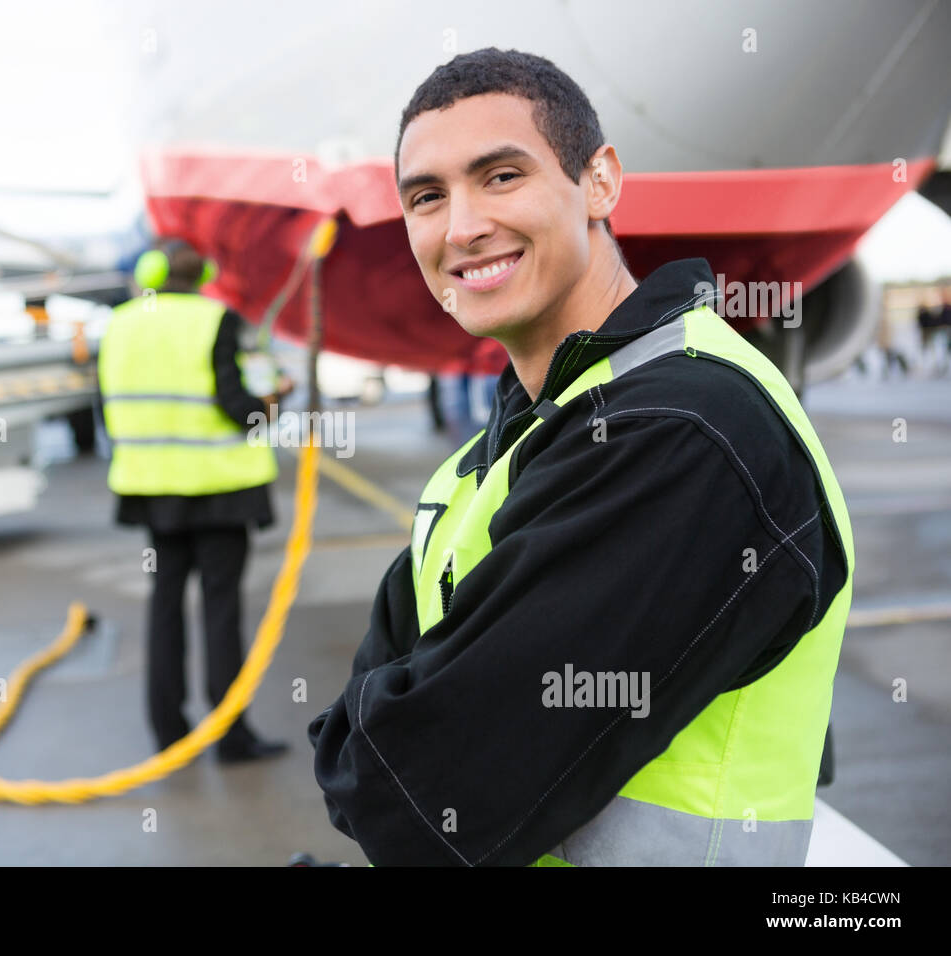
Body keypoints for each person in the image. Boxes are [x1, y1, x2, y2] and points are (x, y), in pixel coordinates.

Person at [308, 48, 853, 865]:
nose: (461, 228)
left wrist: (404, 713)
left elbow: (415, 797)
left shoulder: (685, 432)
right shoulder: (492, 454)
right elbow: (347, 749)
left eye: (500, 176)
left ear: (599, 181)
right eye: (428, 196)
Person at [99, 236, 292, 763]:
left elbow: (105, 409)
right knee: (220, 609)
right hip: (219, 489)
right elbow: (239, 408)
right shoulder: (215, 320)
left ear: (151, 271)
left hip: (154, 491)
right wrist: (274, 400)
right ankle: (230, 736)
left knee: (165, 605)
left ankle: (168, 731)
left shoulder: (120, 323)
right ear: (201, 273)